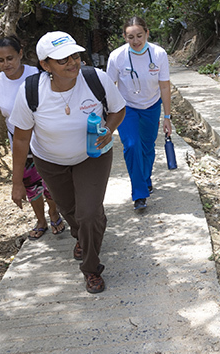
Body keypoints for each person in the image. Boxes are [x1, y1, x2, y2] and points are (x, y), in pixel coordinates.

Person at [9, 31, 126, 294]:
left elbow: (119, 109)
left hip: (92, 156)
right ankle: (84, 234)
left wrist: (108, 128)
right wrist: (17, 183)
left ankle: (91, 268)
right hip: (50, 161)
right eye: (63, 60)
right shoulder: (30, 92)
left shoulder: (96, 79)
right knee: (70, 210)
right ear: (45, 65)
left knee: (87, 213)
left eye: (75, 55)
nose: (73, 62)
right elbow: (20, 139)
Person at [0, 36, 66, 241]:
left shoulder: (39, 76)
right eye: (1, 60)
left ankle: (54, 213)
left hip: (45, 138)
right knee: (29, 182)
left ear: (20, 54)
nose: (6, 64)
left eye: (10, 58)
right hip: (19, 142)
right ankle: (41, 220)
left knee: (50, 181)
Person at [106, 17, 173, 213]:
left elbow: (164, 86)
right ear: (124, 37)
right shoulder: (117, 57)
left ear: (147, 33)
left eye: (139, 36)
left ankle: (145, 179)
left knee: (147, 147)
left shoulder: (159, 54)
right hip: (127, 108)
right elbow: (110, 88)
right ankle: (139, 194)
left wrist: (167, 117)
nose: (135, 41)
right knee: (132, 145)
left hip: (152, 106)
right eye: (130, 37)